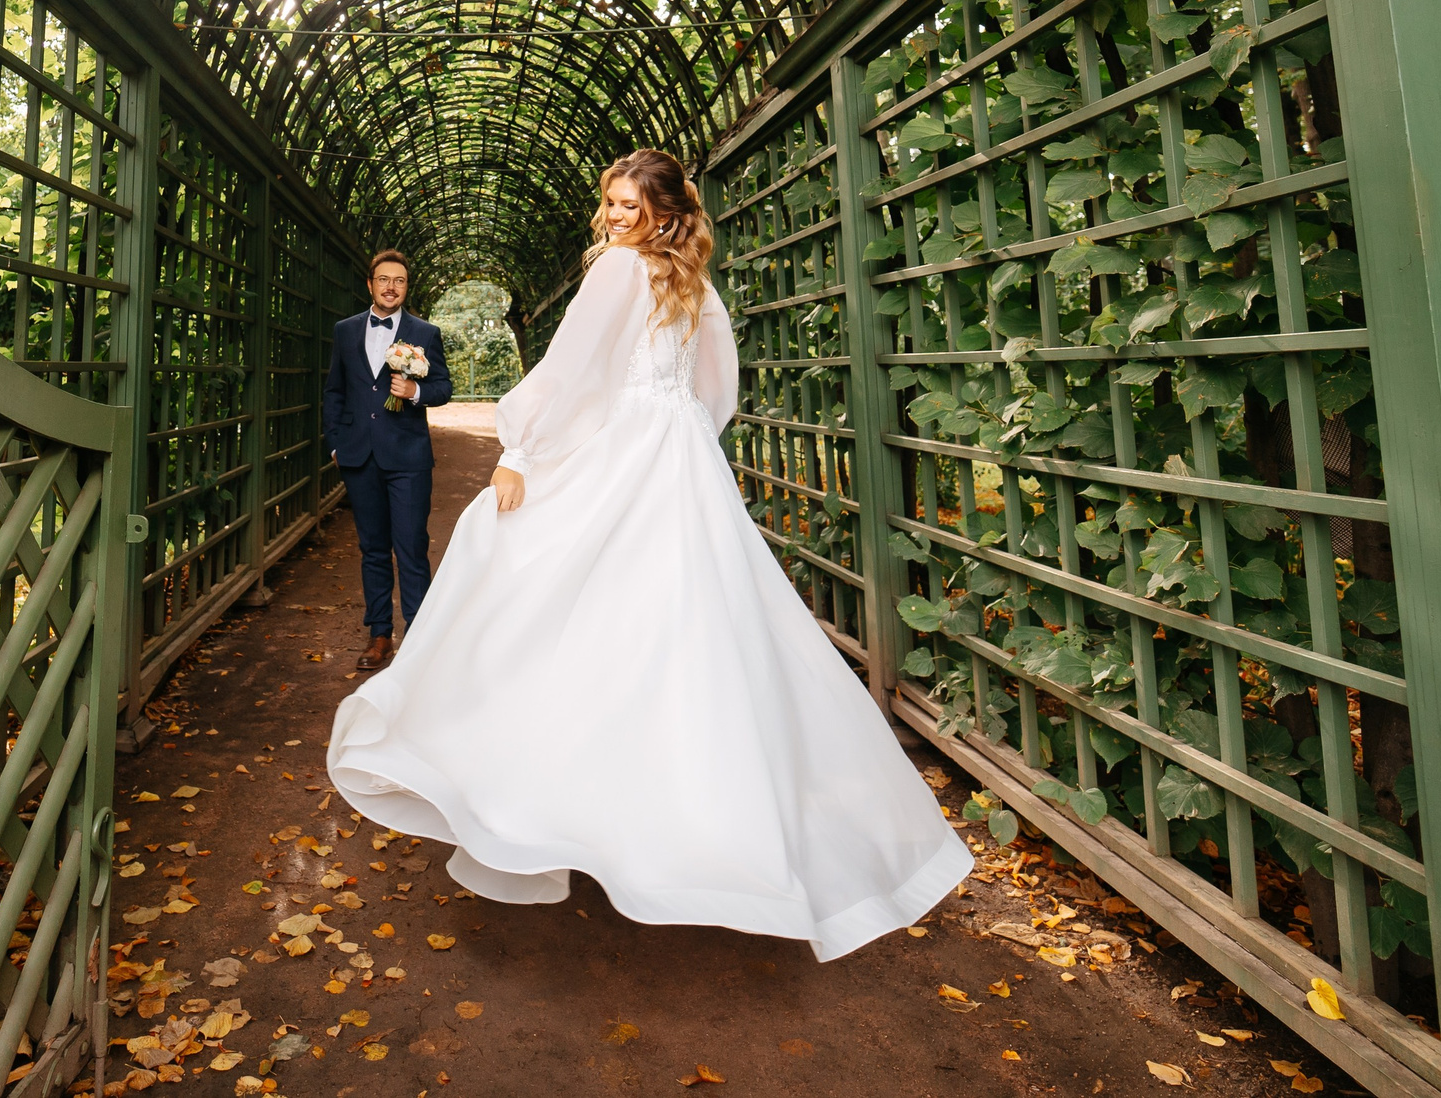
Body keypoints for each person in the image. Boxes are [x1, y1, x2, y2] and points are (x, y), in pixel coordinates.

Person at [327, 149, 970, 960]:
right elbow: (717, 389)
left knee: (563, 599)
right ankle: (703, 817)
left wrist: (521, 448)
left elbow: (568, 373)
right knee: (700, 629)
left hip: (636, 450)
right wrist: (684, 435)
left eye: (631, 204)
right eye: (612, 201)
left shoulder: (617, 272)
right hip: (684, 459)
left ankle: (570, 793)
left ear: (664, 212)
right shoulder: (692, 280)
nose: (617, 214)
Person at [322, 248, 454, 671]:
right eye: (383, 279)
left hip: (408, 457)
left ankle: (417, 637)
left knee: (412, 547)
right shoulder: (345, 331)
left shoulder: (425, 332)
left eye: (398, 280)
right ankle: (379, 636)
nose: (391, 287)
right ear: (370, 284)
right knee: (373, 549)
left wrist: (414, 393)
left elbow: (443, 388)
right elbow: (335, 392)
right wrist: (337, 444)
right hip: (360, 456)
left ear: (406, 287)